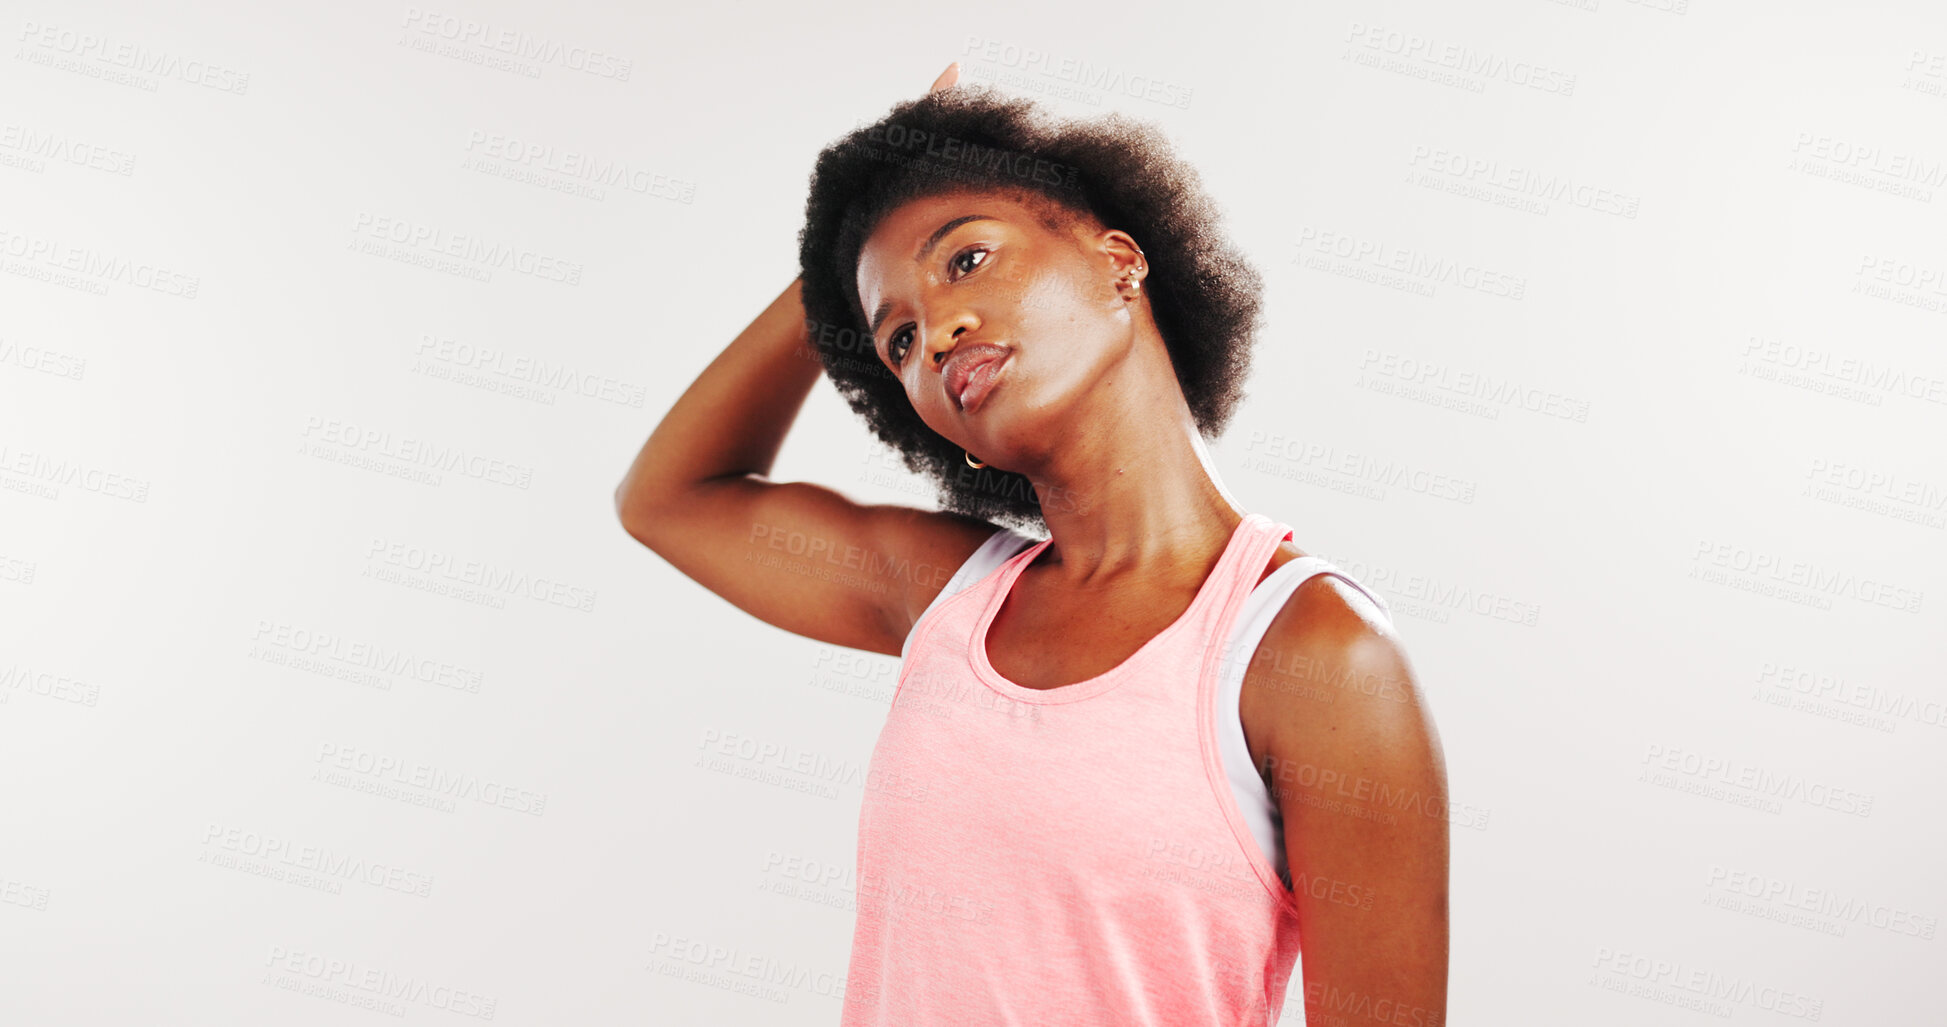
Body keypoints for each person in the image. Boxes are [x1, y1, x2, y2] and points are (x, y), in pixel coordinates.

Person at [615, 62, 1449, 1026]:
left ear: (1118, 260)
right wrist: (836, 262)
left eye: (964, 259)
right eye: (895, 339)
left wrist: (862, 241)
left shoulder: (1314, 652)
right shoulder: (949, 596)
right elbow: (669, 499)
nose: (935, 332)